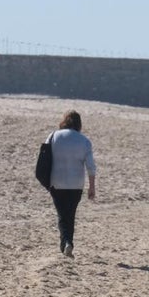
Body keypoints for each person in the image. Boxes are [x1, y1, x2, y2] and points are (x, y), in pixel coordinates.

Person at [44, 110, 97, 257]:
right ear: (79, 124)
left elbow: (44, 157)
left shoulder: (54, 136)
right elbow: (91, 166)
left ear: (64, 121)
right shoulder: (84, 141)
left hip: (57, 182)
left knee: (62, 215)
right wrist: (92, 187)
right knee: (70, 214)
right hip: (76, 184)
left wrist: (44, 178)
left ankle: (66, 243)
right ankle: (68, 243)